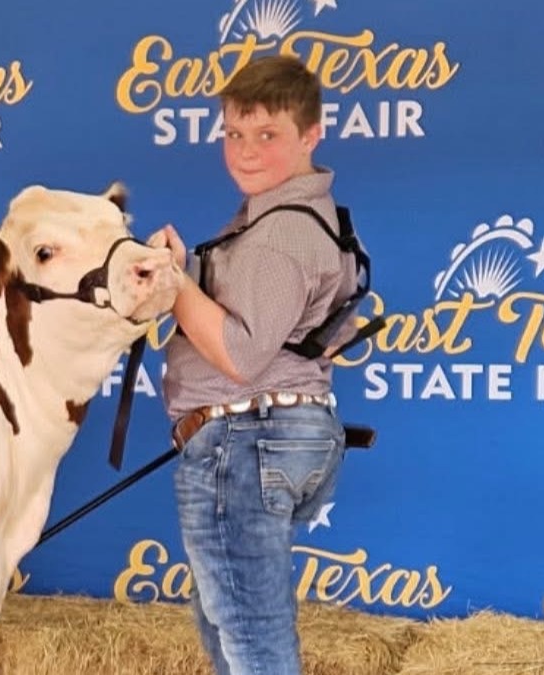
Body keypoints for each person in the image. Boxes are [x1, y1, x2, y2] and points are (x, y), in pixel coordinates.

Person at [147, 55, 363, 675]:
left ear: (310, 135)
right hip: (277, 433)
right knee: (231, 623)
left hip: (247, 437)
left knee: (252, 639)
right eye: (234, 134)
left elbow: (241, 355)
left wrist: (175, 280)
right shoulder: (299, 221)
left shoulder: (278, 235)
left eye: (267, 135)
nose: (245, 151)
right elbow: (333, 335)